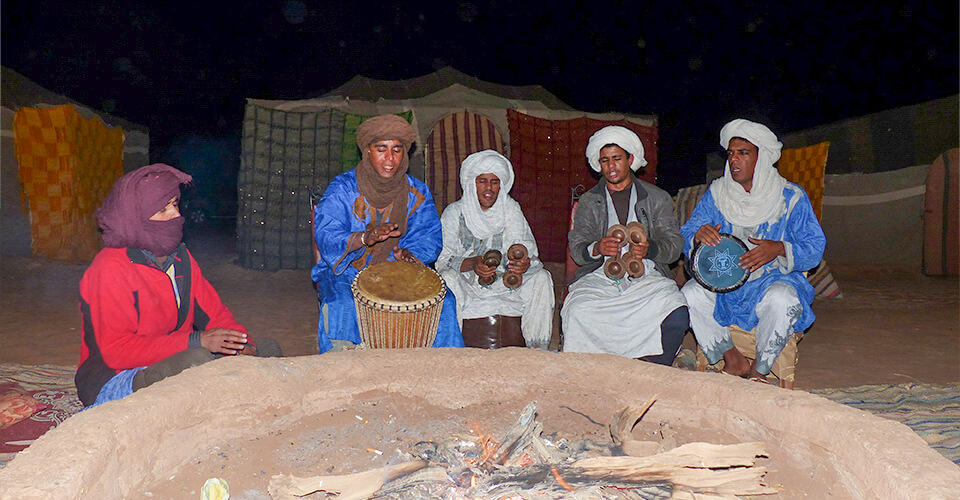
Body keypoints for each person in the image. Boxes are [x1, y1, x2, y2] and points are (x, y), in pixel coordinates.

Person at [75, 164, 282, 408]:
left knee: (266, 349)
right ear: (136, 217)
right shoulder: (110, 268)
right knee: (198, 359)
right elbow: (118, 351)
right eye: (163, 210)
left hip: (173, 357)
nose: (175, 215)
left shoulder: (181, 259)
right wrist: (195, 341)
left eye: (174, 204)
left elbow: (215, 314)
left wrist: (244, 346)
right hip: (114, 376)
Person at [681, 119, 826, 381]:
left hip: (772, 282)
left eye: (743, 153)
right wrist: (697, 237)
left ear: (762, 157)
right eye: (730, 154)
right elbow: (689, 232)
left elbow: (815, 247)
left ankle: (759, 371)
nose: (734, 160)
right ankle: (733, 360)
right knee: (690, 293)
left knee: (783, 299)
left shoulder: (791, 197)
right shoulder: (717, 194)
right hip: (725, 287)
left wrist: (779, 248)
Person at [311, 114, 464, 353]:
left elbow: (429, 236)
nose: (390, 158)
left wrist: (409, 254)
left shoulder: (417, 192)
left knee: (444, 301)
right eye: (381, 149)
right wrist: (365, 237)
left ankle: (443, 365)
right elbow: (327, 234)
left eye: (397, 150)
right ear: (367, 151)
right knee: (341, 302)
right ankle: (337, 369)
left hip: (398, 271)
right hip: (348, 271)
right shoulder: (343, 188)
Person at [562, 126, 689, 364]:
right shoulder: (590, 201)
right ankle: (593, 371)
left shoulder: (656, 197)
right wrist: (597, 248)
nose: (610, 167)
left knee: (676, 311)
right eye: (605, 161)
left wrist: (649, 249)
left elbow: (674, 243)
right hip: (600, 276)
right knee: (578, 311)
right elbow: (578, 245)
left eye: (617, 159)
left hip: (646, 276)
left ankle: (649, 369)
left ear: (630, 159)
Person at [437, 150, 555, 349]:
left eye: (495, 181)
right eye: (482, 180)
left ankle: (537, 351)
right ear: (471, 182)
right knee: (447, 279)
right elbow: (443, 260)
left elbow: (527, 251)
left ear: (502, 185)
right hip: (468, 283)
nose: (489, 188)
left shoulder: (511, 209)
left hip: (506, 283)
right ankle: (452, 349)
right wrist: (473, 263)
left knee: (542, 277)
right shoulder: (455, 213)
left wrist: (523, 264)